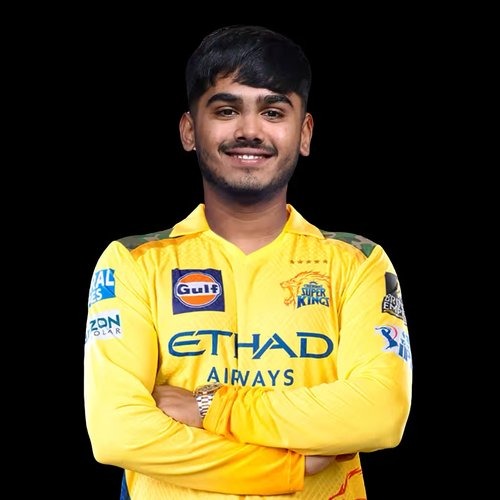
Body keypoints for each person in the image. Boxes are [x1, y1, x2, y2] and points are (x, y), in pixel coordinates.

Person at [84, 24, 413, 499]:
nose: (250, 131)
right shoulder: (133, 263)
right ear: (189, 130)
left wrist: (211, 406)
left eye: (273, 112)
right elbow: (117, 433)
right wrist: (287, 468)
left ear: (304, 133)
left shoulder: (357, 262)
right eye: (226, 110)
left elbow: (380, 415)